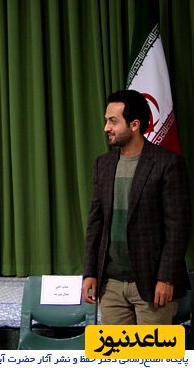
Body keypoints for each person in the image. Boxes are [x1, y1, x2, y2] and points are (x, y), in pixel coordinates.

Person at [81, 89, 191, 324]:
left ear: (134, 125)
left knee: (151, 349)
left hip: (153, 285)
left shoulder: (168, 163)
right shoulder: (103, 164)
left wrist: (167, 278)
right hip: (111, 285)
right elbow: (95, 224)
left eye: (113, 121)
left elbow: (178, 228)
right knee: (116, 349)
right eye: (106, 121)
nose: (106, 128)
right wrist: (89, 272)